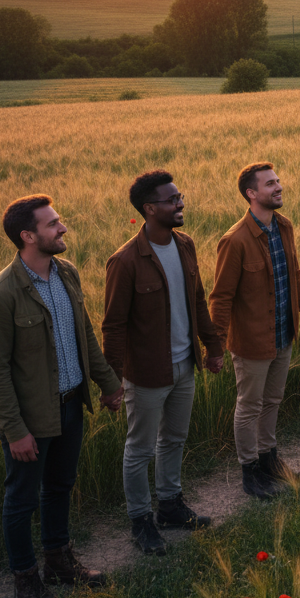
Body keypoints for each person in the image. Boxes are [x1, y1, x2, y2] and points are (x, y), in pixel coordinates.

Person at [0, 195, 123, 598]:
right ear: (28, 236)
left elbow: (85, 337)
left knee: (60, 487)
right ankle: (26, 580)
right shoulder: (0, 295)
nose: (63, 228)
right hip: (29, 418)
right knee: (21, 500)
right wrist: (15, 429)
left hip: (71, 404)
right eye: (53, 223)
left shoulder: (67, 274)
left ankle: (59, 562)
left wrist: (108, 384)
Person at [102, 171, 225, 557]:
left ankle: (170, 506)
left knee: (174, 438)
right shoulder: (125, 261)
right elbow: (114, 325)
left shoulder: (185, 245)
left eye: (180, 196)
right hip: (148, 374)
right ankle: (141, 520)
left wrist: (213, 346)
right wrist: (112, 380)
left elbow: (198, 299)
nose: (180, 203)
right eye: (172, 200)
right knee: (140, 449)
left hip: (184, 365)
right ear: (150, 208)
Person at [210, 163, 300, 499]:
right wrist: (215, 345)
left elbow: (295, 276)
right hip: (251, 340)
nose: (279, 187)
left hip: (283, 334)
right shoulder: (235, 241)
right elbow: (221, 298)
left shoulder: (284, 227)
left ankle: (269, 459)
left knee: (272, 400)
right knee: (249, 405)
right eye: (270, 183)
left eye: (278, 181)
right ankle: (250, 471)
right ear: (251, 193)